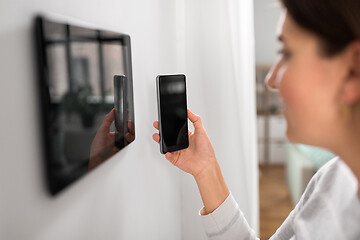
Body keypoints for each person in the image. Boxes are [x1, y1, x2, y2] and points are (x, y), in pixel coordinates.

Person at [152, 0, 360, 239]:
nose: (270, 80)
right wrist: (205, 169)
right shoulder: (331, 179)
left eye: (287, 53)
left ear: (352, 70)